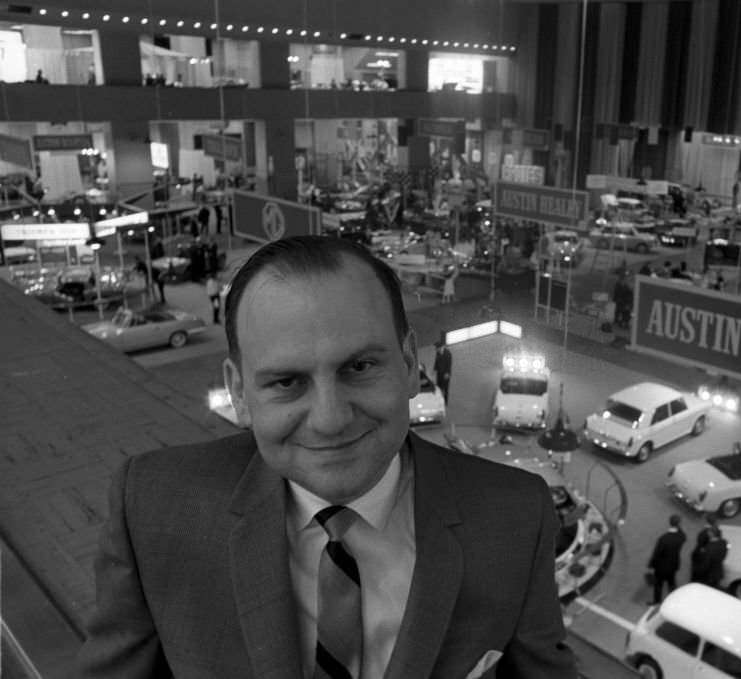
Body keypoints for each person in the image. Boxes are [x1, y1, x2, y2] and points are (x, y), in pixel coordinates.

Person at [76, 236, 576, 678]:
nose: (331, 419)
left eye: (359, 366)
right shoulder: (152, 508)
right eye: (286, 382)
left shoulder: (515, 517)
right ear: (239, 392)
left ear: (407, 366)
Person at [647, 514, 687, 605]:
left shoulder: (663, 539)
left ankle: (657, 601)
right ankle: (675, 600)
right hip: (673, 564)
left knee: (658, 585)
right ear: (678, 524)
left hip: (661, 566)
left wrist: (651, 564)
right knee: (671, 583)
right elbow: (683, 535)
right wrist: (679, 526)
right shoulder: (681, 537)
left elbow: (657, 554)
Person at [690, 514, 728, 588]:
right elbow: (724, 553)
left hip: (707, 576)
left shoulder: (708, 548)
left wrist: (696, 568)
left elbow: (704, 565)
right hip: (717, 571)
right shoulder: (724, 542)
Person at [433, 339, 452, 404]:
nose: (435, 349)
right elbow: (436, 361)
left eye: (435, 348)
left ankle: (445, 401)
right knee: (439, 386)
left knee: (445, 388)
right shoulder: (438, 352)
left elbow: (449, 364)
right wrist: (434, 369)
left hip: (445, 374)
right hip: (439, 373)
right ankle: (439, 399)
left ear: (439, 347)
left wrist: (447, 373)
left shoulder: (448, 353)